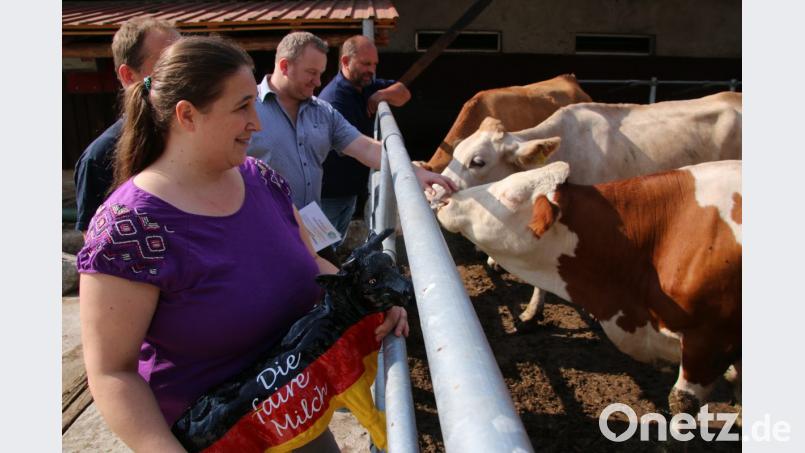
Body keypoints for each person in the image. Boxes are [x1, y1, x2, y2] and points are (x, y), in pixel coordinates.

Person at [77, 36, 408, 453]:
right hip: (219, 438)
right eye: (241, 107)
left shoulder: (262, 180)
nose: (257, 121)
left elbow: (311, 266)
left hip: (294, 416)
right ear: (187, 116)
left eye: (255, 101)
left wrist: (368, 299)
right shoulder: (129, 230)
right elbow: (112, 373)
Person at [246, 31, 456, 217]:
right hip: (262, 229)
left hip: (311, 226)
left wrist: (416, 172)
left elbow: (365, 147)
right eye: (311, 73)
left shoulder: (323, 111)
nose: (318, 82)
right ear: (285, 66)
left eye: (320, 74)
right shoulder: (244, 107)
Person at [73, 17, 180, 236]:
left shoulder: (196, 136)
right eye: (168, 64)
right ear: (128, 75)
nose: (183, 73)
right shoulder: (100, 156)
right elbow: (97, 249)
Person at [319, 35, 412, 243]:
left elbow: (404, 93)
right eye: (365, 63)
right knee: (320, 249)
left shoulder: (365, 84)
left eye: (374, 64)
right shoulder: (335, 99)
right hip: (329, 193)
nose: (371, 69)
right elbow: (358, 147)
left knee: (332, 245)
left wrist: (381, 96)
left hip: (348, 191)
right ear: (345, 62)